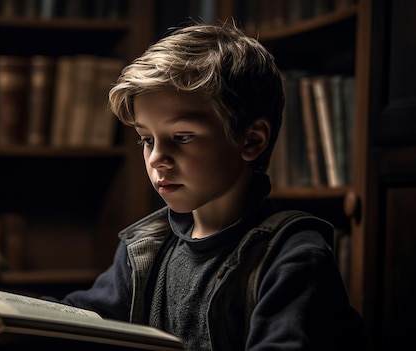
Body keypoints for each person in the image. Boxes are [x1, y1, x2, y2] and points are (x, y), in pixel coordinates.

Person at [48, 21, 363, 350]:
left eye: (182, 137)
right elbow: (78, 320)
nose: (157, 158)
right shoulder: (144, 250)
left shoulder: (293, 258)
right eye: (146, 139)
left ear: (251, 140)